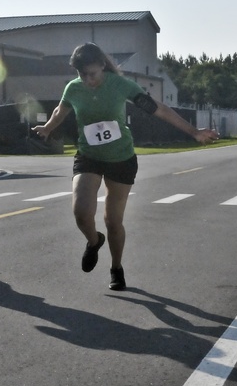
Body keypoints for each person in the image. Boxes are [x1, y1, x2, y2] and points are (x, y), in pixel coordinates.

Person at [32, 43, 219, 291]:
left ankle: (116, 268)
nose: (87, 80)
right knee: (81, 213)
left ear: (102, 65)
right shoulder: (73, 88)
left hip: (121, 158)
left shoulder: (121, 85)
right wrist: (47, 128)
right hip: (89, 155)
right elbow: (60, 110)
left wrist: (193, 132)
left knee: (112, 221)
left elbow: (159, 109)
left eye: (92, 74)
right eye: (81, 75)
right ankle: (93, 241)